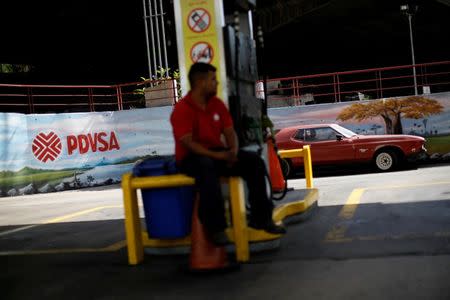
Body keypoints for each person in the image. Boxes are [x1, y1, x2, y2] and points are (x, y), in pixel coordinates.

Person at [170, 62, 286, 245]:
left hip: (217, 154)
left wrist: (232, 151)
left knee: (254, 161)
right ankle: (216, 228)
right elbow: (189, 143)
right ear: (200, 82)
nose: (217, 83)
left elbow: (229, 131)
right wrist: (220, 156)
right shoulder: (182, 109)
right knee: (206, 168)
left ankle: (262, 219)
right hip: (191, 158)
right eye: (213, 80)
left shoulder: (216, 104)